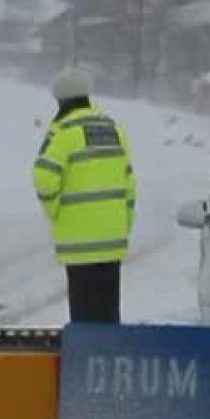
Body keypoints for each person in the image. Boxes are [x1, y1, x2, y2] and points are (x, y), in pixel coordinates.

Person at [32, 68, 136, 323]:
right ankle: (109, 360)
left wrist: (53, 211)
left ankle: (85, 359)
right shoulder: (114, 129)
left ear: (61, 102)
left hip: (78, 244)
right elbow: (129, 183)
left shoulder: (63, 133)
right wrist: (124, 224)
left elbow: (44, 179)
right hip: (112, 241)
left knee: (85, 319)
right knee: (109, 316)